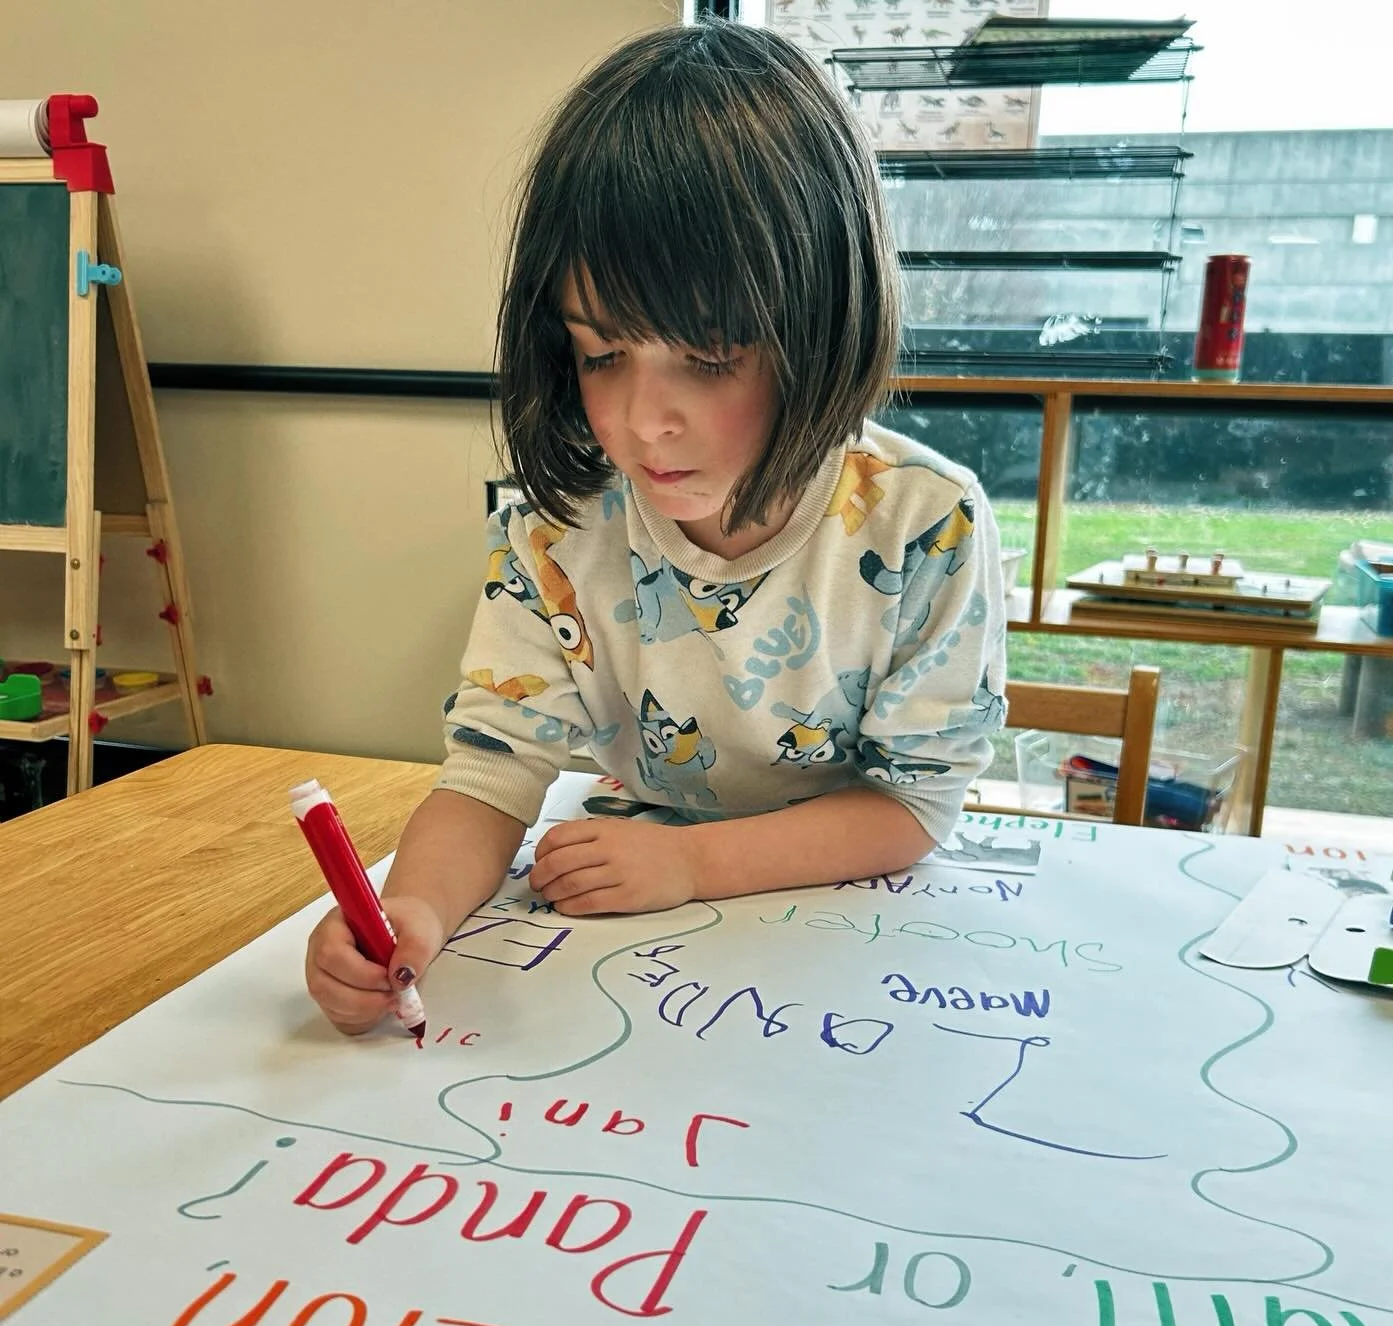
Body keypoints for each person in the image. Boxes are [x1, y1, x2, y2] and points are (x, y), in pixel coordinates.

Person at [306, 19, 1008, 1035]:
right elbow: (492, 771)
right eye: (600, 355)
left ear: (824, 321)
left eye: (710, 359)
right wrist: (411, 913)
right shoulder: (557, 528)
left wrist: (692, 860)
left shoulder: (922, 521)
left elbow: (914, 807)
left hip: (847, 959)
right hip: (622, 954)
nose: (642, 422)